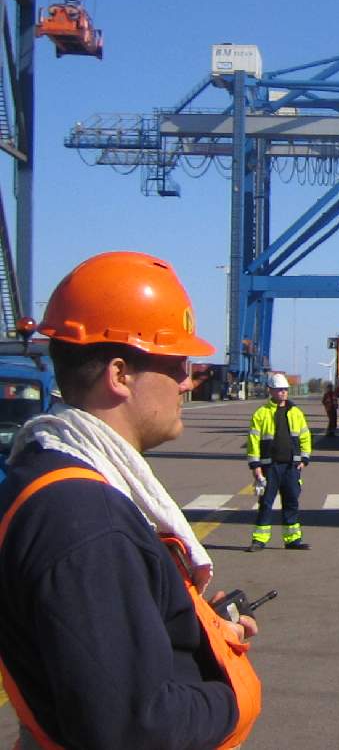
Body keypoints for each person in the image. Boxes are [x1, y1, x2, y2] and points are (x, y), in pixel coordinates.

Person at [0, 250, 261, 749]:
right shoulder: (87, 522)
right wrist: (233, 689)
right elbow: (133, 729)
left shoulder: (49, 473)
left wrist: (200, 627)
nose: (188, 381)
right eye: (177, 363)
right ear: (119, 375)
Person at [247, 372, 312, 551]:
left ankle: (293, 540)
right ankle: (259, 540)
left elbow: (305, 436)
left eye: (285, 389)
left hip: (291, 466)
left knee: (291, 502)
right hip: (270, 466)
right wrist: (255, 465)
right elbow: (253, 441)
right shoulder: (261, 413)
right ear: (270, 391)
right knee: (266, 503)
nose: (283, 392)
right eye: (279, 389)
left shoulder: (296, 413)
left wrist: (304, 459)